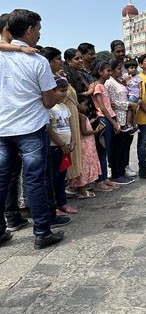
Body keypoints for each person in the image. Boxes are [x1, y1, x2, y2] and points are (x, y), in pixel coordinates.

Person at [0, 9, 65, 249]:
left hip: (3, 129)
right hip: (30, 128)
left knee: (3, 179)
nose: (39, 34)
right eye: (38, 29)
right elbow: (48, 102)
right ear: (29, 30)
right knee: (35, 180)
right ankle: (42, 232)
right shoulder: (37, 61)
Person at [47, 77, 78, 215]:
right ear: (52, 91)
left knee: (61, 177)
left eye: (65, 91)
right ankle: (52, 206)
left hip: (66, 148)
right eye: (61, 91)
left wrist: (72, 142)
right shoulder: (49, 108)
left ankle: (62, 203)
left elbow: (69, 126)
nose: (64, 93)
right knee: (52, 178)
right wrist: (61, 144)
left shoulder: (65, 107)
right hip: (54, 148)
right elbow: (48, 129)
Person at [91, 61, 121, 191]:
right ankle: (100, 180)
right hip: (103, 120)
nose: (110, 73)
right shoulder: (98, 86)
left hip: (108, 119)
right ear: (100, 72)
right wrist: (113, 121)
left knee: (106, 150)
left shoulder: (102, 86)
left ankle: (104, 178)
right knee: (102, 151)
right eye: (107, 70)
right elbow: (102, 107)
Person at [105, 59, 135, 185]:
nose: (120, 71)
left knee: (123, 147)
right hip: (118, 117)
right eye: (118, 69)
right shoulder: (109, 83)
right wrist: (128, 104)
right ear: (111, 70)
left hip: (125, 118)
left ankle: (122, 171)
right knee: (116, 148)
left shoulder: (120, 82)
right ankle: (116, 173)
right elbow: (111, 102)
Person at [69, 96, 101, 198]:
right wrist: (95, 131)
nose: (87, 107)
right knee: (84, 165)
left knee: (83, 164)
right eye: (85, 104)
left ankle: (79, 187)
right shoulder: (81, 116)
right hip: (85, 144)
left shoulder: (78, 116)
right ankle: (81, 189)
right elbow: (84, 131)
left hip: (85, 143)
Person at [123, 59, 141, 131]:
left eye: (135, 68)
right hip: (128, 95)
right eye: (131, 68)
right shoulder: (125, 76)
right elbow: (122, 82)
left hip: (134, 95)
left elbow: (140, 87)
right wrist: (125, 80)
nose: (133, 69)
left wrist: (140, 96)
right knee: (133, 111)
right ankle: (134, 126)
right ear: (127, 68)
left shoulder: (137, 77)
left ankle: (128, 124)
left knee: (129, 109)